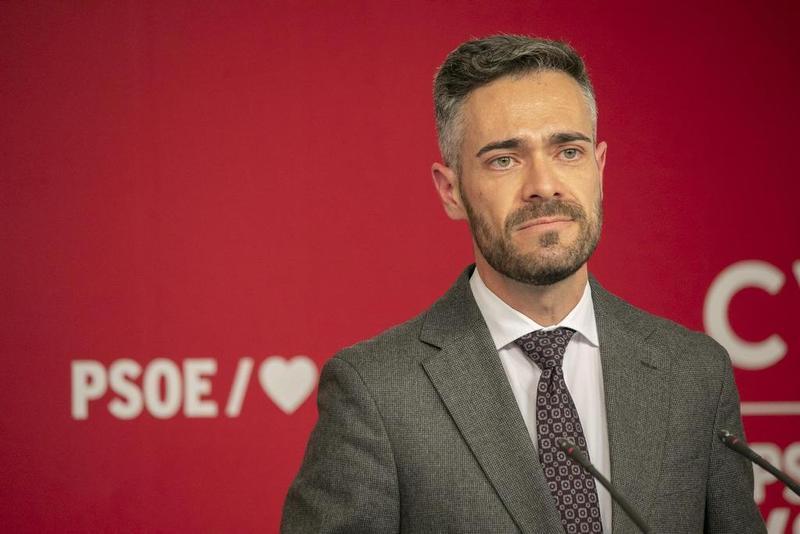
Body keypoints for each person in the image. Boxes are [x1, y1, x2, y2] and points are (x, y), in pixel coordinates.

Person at [281, 35, 766, 533]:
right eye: (504, 160)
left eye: (568, 152)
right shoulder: (377, 391)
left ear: (599, 169)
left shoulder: (694, 373)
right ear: (451, 191)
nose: (543, 185)